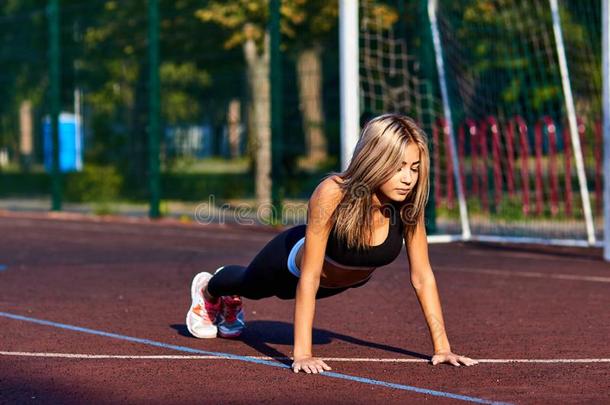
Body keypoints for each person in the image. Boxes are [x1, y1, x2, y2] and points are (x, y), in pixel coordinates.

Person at [185, 114, 479, 374]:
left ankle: (229, 297)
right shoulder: (333, 193)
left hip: (338, 282)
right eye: (399, 167)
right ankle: (210, 289)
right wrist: (302, 354)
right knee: (251, 284)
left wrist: (442, 347)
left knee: (265, 290)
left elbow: (422, 276)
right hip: (291, 267)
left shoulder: (408, 205)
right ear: (375, 161)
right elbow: (310, 275)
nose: (408, 179)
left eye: (414, 168)